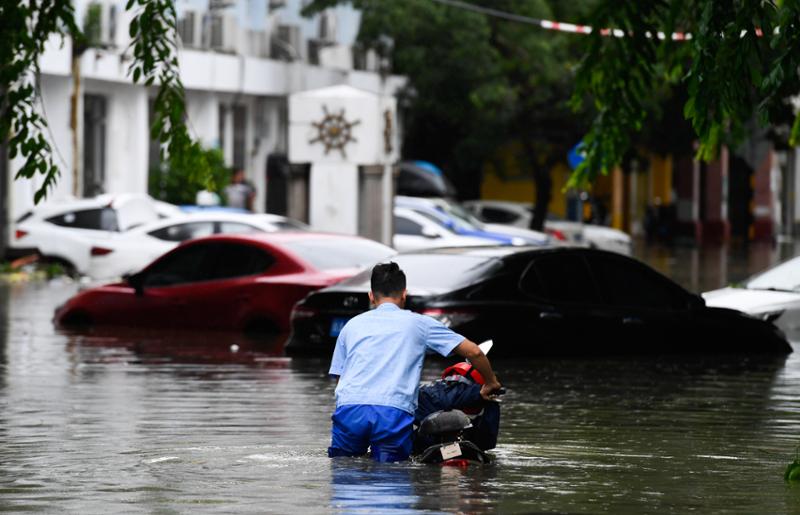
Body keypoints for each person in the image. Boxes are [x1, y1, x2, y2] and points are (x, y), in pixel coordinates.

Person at [328, 262, 501, 463]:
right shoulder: (419, 323)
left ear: (371, 296)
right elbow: (474, 352)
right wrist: (491, 382)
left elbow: (340, 377)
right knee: (390, 473)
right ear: (404, 294)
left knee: (343, 468)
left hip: (349, 409)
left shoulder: (351, 326)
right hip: (392, 412)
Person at [413, 361, 501, 454]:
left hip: (455, 450)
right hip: (426, 446)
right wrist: (479, 393)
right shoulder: (433, 393)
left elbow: (488, 442)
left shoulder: (488, 401)